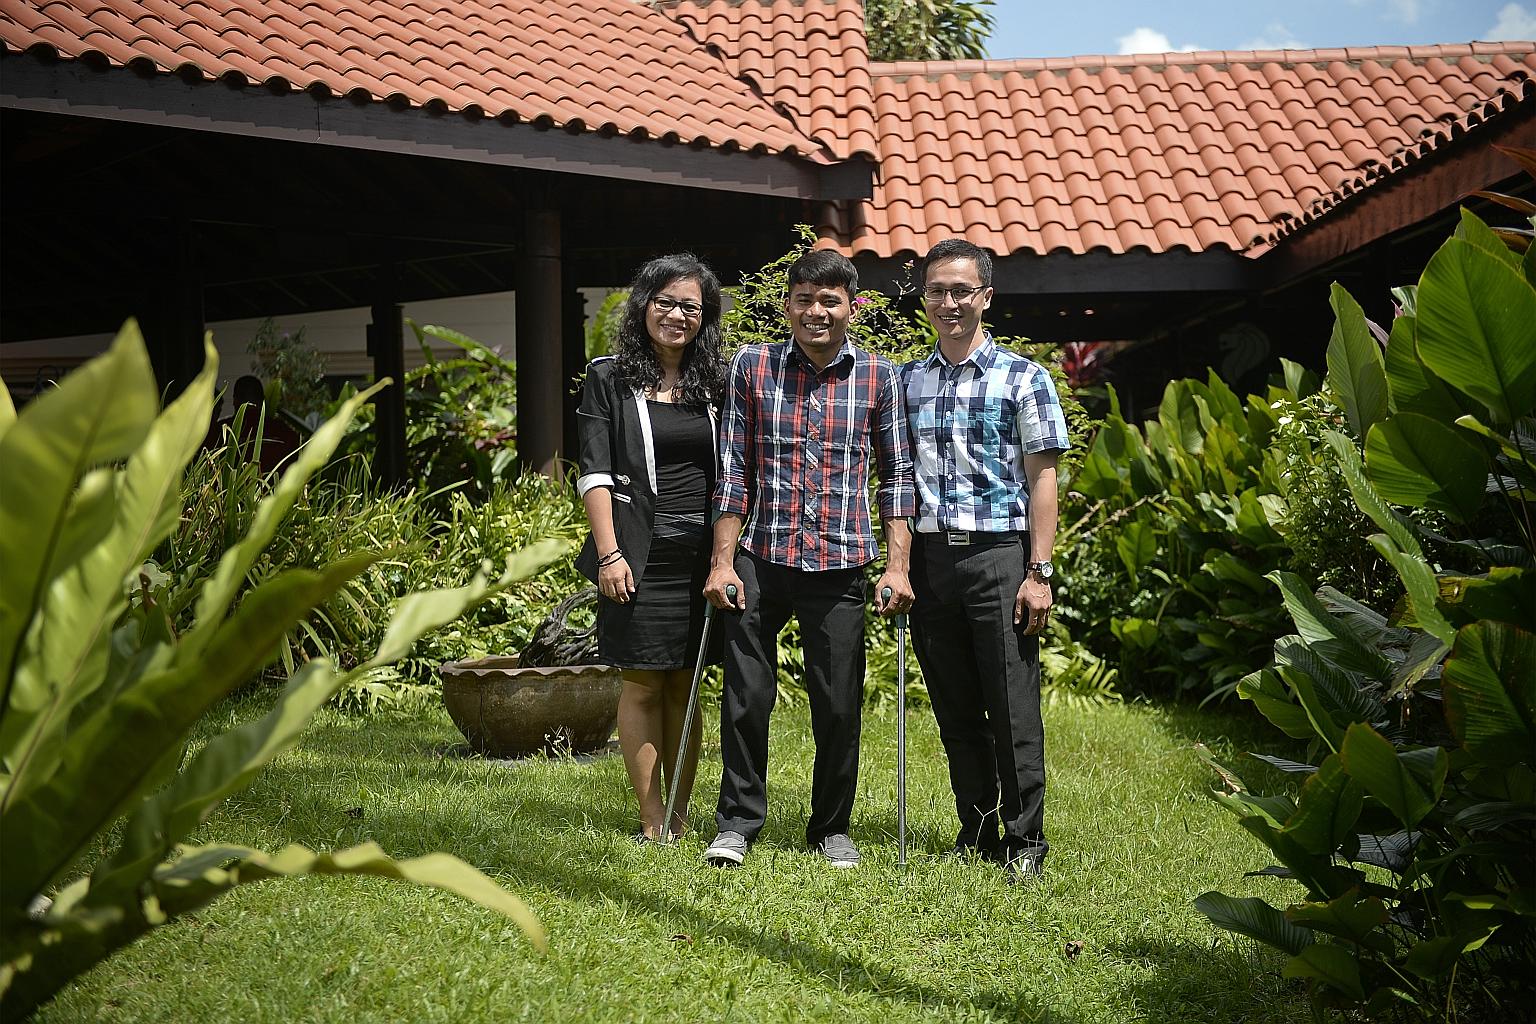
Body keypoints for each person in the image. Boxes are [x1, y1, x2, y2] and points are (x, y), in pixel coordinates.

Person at [701, 249, 914, 869]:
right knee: (745, 697)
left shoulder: (880, 377)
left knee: (840, 702)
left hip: (842, 564)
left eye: (830, 301)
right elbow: (733, 469)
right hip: (760, 558)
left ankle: (830, 829)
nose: (816, 312)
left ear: (853, 306)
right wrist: (721, 562)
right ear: (787, 303)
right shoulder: (753, 366)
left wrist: (897, 567)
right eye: (804, 300)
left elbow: (897, 477)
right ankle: (738, 823)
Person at [900, 239, 1070, 882]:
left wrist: (1039, 570)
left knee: (1012, 704)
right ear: (926, 298)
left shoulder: (1024, 378)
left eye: (962, 291)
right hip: (931, 561)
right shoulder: (906, 382)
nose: (949, 302)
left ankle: (1026, 839)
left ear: (985, 298)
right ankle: (978, 827)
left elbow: (1044, 480)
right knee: (954, 704)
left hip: (1001, 558)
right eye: (938, 291)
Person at [575, 253, 727, 842]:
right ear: (643, 305)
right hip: (637, 552)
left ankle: (683, 813)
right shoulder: (608, 376)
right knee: (642, 682)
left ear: (704, 316)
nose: (677, 315)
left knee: (687, 683)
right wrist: (610, 554)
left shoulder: (715, 382)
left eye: (691, 306)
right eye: (665, 302)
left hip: (701, 554)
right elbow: (594, 472)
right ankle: (652, 817)